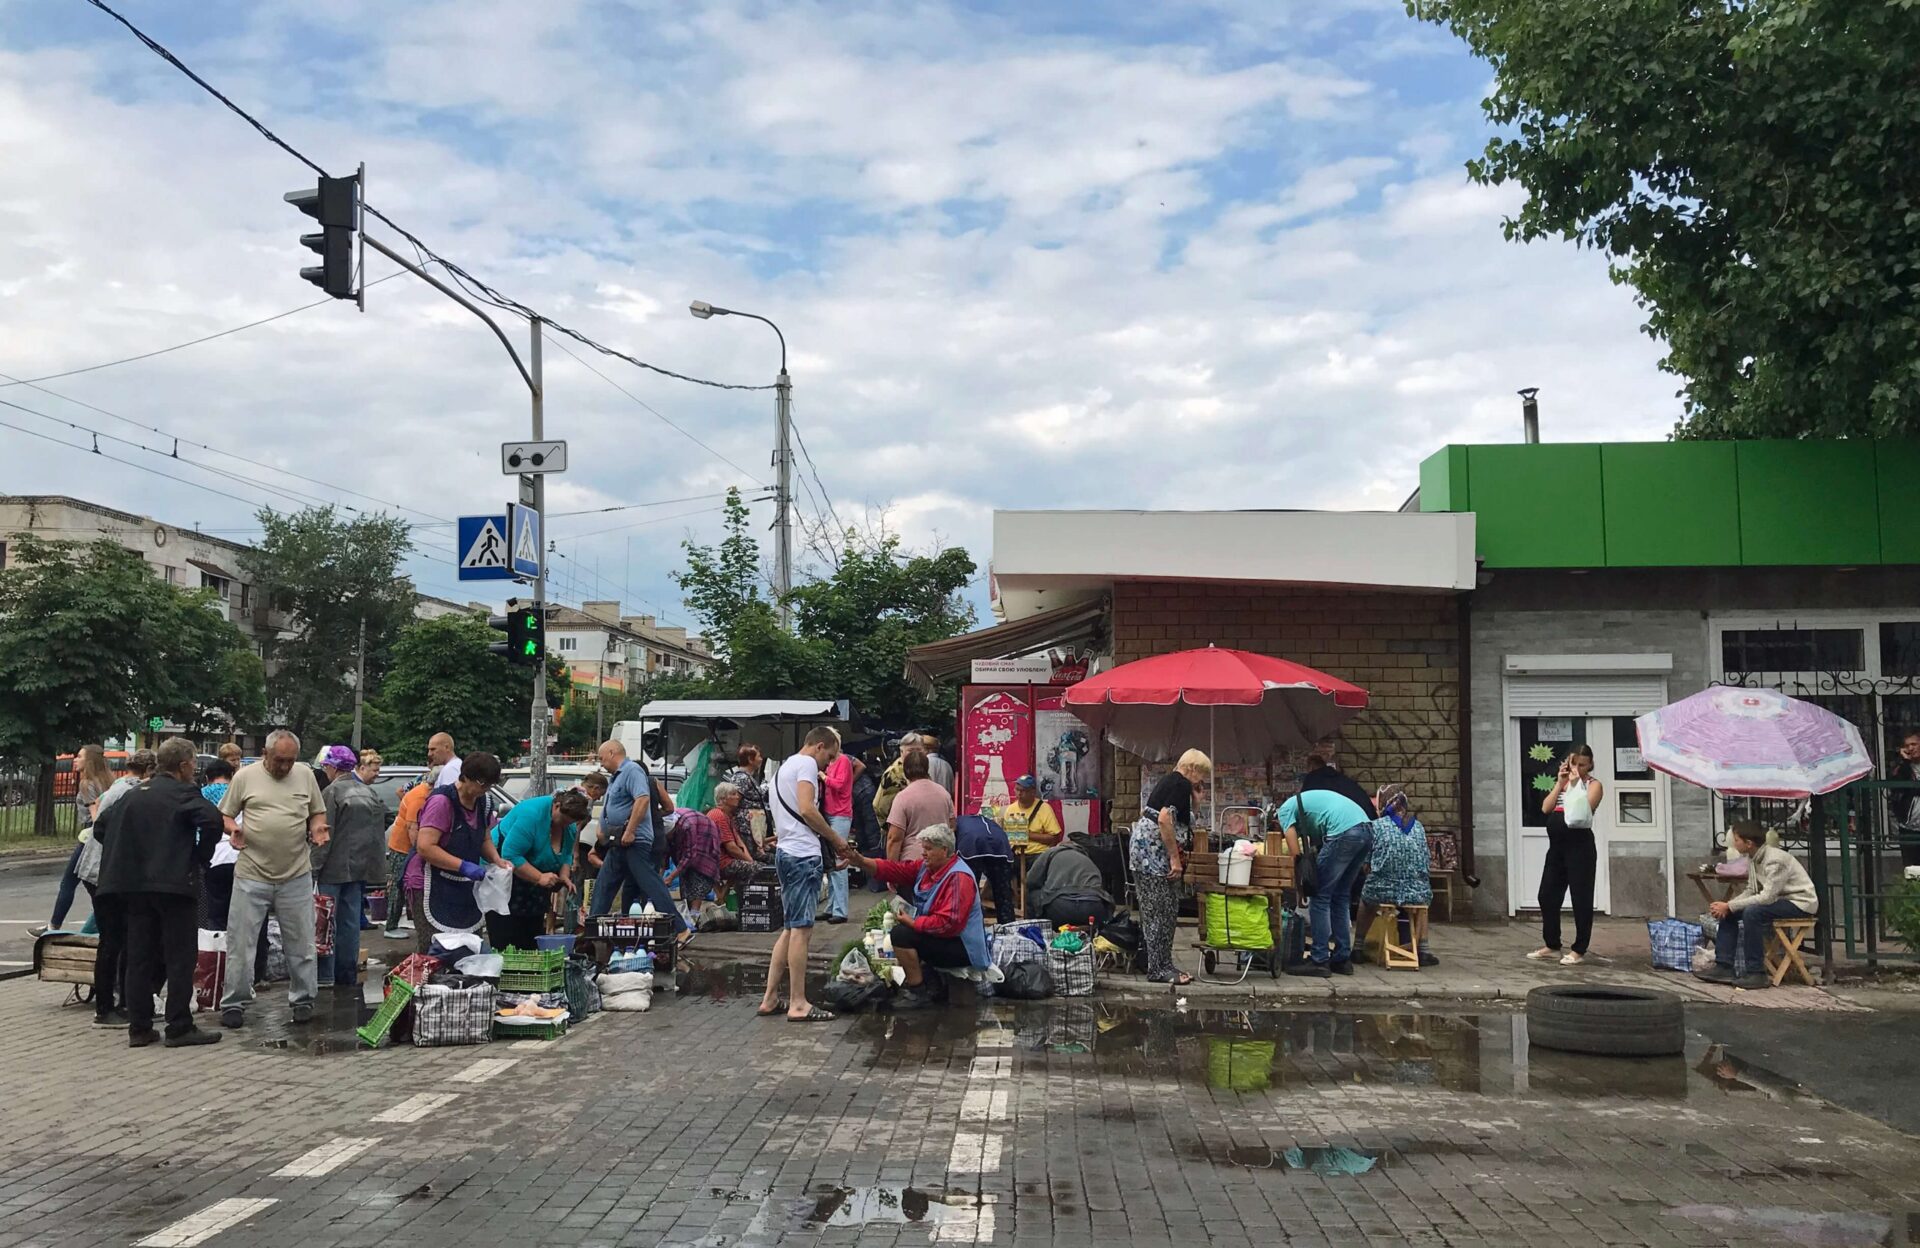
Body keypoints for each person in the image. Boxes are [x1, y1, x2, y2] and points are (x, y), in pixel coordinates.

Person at [93, 737, 231, 1047]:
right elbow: (211, 820)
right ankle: (179, 1025)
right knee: (180, 956)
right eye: (194, 763)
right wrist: (199, 856)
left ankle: (139, 1027)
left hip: (134, 886)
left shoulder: (131, 795)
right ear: (183, 766)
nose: (195, 769)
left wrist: (132, 854)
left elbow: (101, 828)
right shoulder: (182, 792)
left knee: (139, 955)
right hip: (173, 885)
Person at [218, 730, 328, 1029]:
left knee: (302, 941)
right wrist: (233, 831)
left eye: (291, 760)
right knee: (241, 942)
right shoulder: (244, 777)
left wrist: (318, 828)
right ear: (266, 754)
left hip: (296, 873)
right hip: (252, 873)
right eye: (280, 760)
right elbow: (225, 815)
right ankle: (234, 1003)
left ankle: (303, 999)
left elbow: (317, 813)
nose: (285, 767)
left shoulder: (304, 775)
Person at [756, 726, 852, 1023]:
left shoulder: (783, 768)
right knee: (801, 930)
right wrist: (836, 840)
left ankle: (770, 998)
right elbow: (808, 809)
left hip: (786, 852)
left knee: (789, 928)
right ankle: (798, 1003)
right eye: (829, 757)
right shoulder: (807, 765)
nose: (828, 764)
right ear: (819, 746)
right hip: (801, 855)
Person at [845, 825, 990, 1010]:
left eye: (929, 849)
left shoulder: (959, 877)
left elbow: (949, 923)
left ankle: (917, 991)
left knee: (901, 935)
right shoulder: (925, 868)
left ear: (944, 850)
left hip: (963, 947)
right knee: (906, 934)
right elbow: (895, 870)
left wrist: (913, 923)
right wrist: (860, 860)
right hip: (944, 939)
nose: (924, 854)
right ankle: (931, 982)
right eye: (923, 849)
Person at [588, 741, 688, 947]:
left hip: (634, 841)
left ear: (612, 752)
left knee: (650, 882)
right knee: (604, 884)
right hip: (618, 841)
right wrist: (603, 829)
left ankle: (681, 928)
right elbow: (612, 807)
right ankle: (591, 930)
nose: (601, 762)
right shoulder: (616, 778)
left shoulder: (632, 770)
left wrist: (631, 830)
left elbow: (642, 800)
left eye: (601, 757)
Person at [1696, 821, 1819, 988]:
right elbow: (1752, 890)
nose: (1734, 843)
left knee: (1752, 913)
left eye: (1737, 840)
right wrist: (1729, 905)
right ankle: (1724, 966)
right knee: (1731, 912)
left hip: (1799, 903)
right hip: (1779, 900)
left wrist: (1731, 906)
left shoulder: (1776, 860)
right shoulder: (1754, 858)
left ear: (1749, 843)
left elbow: (1767, 897)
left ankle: (1756, 972)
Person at [408, 752, 509, 953]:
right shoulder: (442, 802)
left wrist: (496, 859)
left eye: (489, 785)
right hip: (430, 882)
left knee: (469, 947)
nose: (485, 789)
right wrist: (463, 865)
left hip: (464, 885)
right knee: (438, 949)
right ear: (466, 776)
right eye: (482, 783)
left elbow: (484, 837)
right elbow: (425, 846)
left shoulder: (484, 802)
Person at [1129, 749, 1211, 986]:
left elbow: (1180, 819)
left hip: (1147, 854)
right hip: (1153, 857)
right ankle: (1158, 969)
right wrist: (1174, 859)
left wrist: (1196, 802)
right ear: (1192, 769)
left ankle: (1161, 963)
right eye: (1202, 774)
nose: (1201, 780)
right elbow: (1165, 819)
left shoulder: (1173, 783)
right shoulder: (1179, 784)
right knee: (1160, 913)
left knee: (1165, 910)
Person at [1279, 785, 1376, 978]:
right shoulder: (1308, 807)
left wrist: (1302, 880)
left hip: (1345, 832)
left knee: (1319, 896)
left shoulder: (1285, 809)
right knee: (1340, 896)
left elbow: (1294, 851)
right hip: (1366, 830)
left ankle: (1319, 959)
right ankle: (1342, 959)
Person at [313, 745, 386, 989]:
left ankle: (325, 976)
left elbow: (324, 835)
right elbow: (377, 837)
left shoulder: (331, 792)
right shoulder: (369, 794)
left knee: (325, 923)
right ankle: (346, 974)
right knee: (350, 923)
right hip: (358, 870)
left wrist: (314, 868)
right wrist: (376, 872)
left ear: (333, 767)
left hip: (331, 870)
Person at [1528, 745, 1604, 966]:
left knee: (1581, 898)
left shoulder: (1593, 785)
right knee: (1547, 895)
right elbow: (1545, 808)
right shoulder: (1563, 784)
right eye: (1573, 764)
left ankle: (1579, 948)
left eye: (1582, 765)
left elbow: (1582, 812)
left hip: (1579, 848)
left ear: (1589, 764)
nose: (1577, 768)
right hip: (1557, 847)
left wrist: (1573, 783)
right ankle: (1552, 944)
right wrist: (1560, 783)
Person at [488, 789, 587, 950]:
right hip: (505, 870)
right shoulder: (531, 814)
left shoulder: (569, 826)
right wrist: (540, 877)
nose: (566, 825)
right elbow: (511, 855)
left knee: (533, 930)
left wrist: (564, 876)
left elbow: (566, 854)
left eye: (570, 823)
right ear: (556, 806)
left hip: (534, 877)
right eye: (564, 820)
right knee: (508, 932)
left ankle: (531, 965)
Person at [33, 744, 115, 937]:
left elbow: (96, 816)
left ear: (89, 761)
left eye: (79, 756)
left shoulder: (87, 784)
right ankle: (106, 923)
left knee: (69, 882)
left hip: (90, 836)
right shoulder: (108, 781)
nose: (74, 760)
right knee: (96, 884)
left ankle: (54, 926)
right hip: (108, 836)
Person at [1352, 784, 1437, 968]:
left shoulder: (1375, 827)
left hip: (1382, 891)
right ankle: (1423, 950)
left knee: (1366, 900)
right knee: (1422, 903)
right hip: (1416, 892)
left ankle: (1358, 948)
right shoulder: (1418, 827)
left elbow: (1366, 865)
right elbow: (1425, 861)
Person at [1024, 836, 1115, 930]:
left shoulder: (1051, 852)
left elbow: (1030, 880)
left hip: (1060, 908)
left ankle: (1036, 931)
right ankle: (1093, 929)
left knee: (1031, 894)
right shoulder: (1087, 858)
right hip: (1093, 908)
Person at [383, 776, 432, 938]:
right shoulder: (419, 797)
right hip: (402, 847)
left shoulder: (423, 792)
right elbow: (412, 828)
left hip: (406, 846)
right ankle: (391, 926)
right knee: (399, 886)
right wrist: (420, 851)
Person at [886, 752, 954, 862]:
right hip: (940, 861)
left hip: (913, 861)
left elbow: (894, 838)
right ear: (927, 768)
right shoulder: (944, 793)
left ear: (905, 771)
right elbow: (952, 826)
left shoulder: (902, 797)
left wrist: (891, 871)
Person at [820, 751, 863, 923]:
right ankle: (831, 907)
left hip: (840, 813)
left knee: (839, 860)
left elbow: (839, 784)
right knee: (831, 861)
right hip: (830, 812)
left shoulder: (844, 760)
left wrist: (823, 777)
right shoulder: (830, 762)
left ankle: (840, 910)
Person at [705, 782, 761, 909]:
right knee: (758, 870)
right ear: (722, 799)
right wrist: (751, 863)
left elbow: (738, 842)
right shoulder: (719, 816)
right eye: (733, 794)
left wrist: (750, 860)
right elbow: (732, 848)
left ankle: (722, 896)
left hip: (722, 860)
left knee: (752, 865)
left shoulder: (726, 816)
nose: (737, 797)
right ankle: (741, 904)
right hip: (717, 862)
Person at [956, 812, 1016, 923]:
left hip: (971, 844)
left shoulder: (958, 822)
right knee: (1003, 892)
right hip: (999, 844)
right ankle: (1008, 926)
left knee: (971, 890)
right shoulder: (988, 822)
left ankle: (974, 924)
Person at [722, 744, 770, 856]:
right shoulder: (741, 778)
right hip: (746, 827)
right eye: (759, 756)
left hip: (753, 825)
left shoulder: (747, 777)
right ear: (750, 759)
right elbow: (734, 801)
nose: (761, 759)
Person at [999, 774, 1063, 847]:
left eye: (1023, 790)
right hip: (1016, 853)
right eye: (1017, 789)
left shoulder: (1044, 808)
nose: (1019, 793)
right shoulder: (1010, 809)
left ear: (1032, 792)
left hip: (1037, 854)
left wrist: (1027, 835)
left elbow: (1054, 838)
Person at [1892, 732, 1920, 869]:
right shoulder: (1903, 768)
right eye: (1907, 746)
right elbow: (1899, 786)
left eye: (1914, 744)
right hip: (1909, 828)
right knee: (1911, 871)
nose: (1910, 748)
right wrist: (1905, 761)